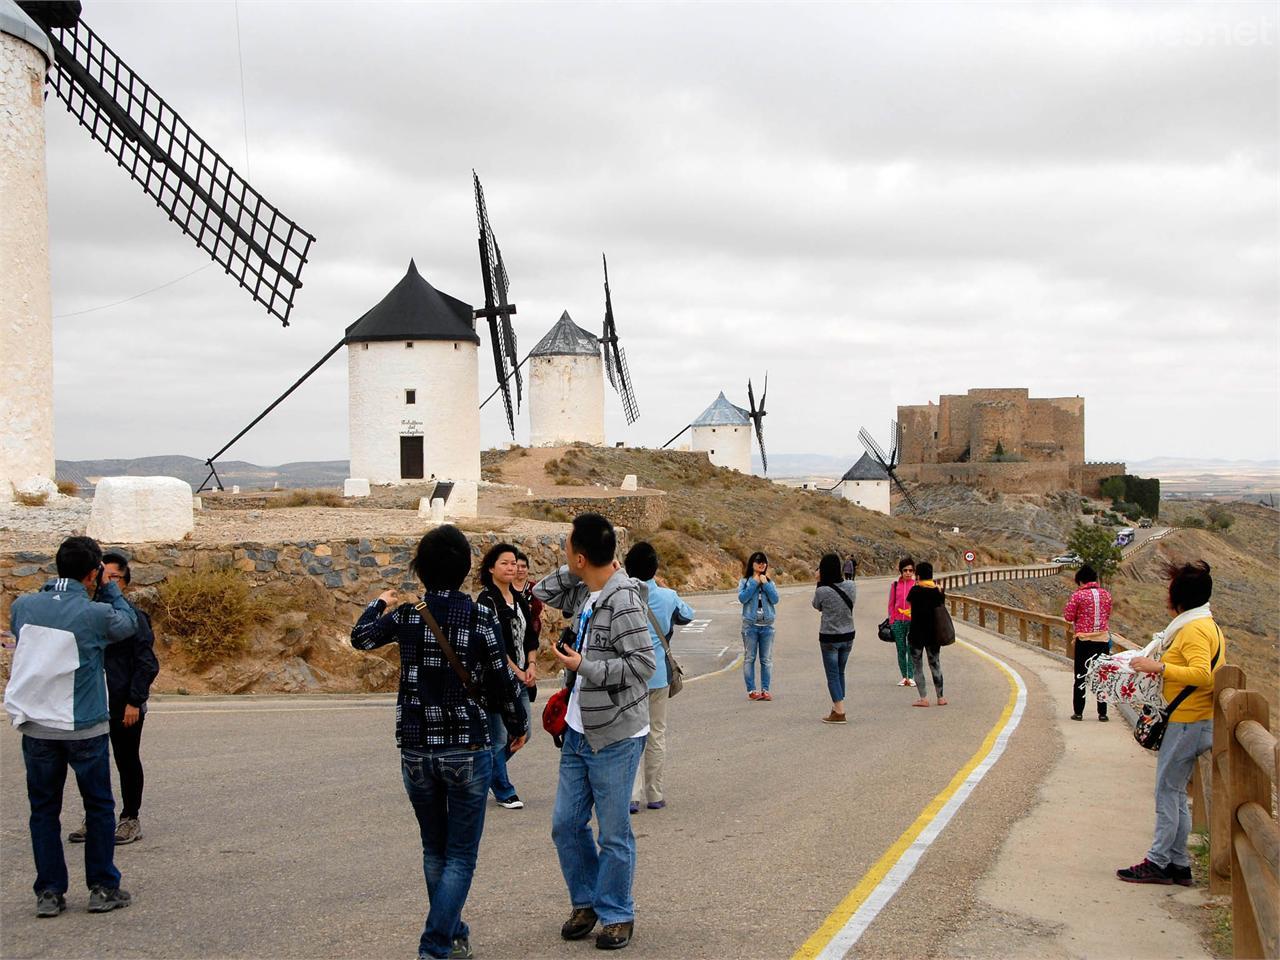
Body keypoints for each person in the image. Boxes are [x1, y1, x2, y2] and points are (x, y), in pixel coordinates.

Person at [351, 524, 529, 960]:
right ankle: (435, 945)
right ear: (468, 568)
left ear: (421, 569)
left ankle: (453, 932)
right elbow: (503, 682)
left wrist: (380, 601)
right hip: (467, 746)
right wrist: (518, 723)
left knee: (435, 849)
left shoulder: (409, 614)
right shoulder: (479, 615)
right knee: (461, 856)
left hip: (415, 747)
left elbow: (361, 637)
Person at [534, 513, 655, 951]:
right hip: (578, 728)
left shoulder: (623, 599)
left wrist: (583, 666)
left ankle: (617, 912)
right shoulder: (587, 587)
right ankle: (586, 901)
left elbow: (644, 665)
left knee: (614, 830)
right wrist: (579, 567)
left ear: (582, 555)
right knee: (566, 824)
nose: (565, 554)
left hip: (615, 733)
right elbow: (540, 591)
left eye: (569, 549)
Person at [4, 536, 137, 917]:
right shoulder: (94, 615)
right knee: (98, 807)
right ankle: (102, 886)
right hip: (84, 726)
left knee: (43, 809)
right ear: (94, 573)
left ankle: (48, 892)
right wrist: (111, 590)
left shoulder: (23, 606)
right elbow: (127, 625)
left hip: (38, 724)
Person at [1118, 561, 1225, 886]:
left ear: (1177, 598)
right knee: (1175, 792)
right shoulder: (1207, 625)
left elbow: (1202, 675)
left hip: (1187, 720)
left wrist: (1159, 668)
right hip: (1194, 719)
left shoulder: (1192, 630)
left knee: (1167, 791)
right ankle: (1178, 863)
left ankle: (1159, 861)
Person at [66, 552, 160, 847]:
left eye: (113, 577)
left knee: (126, 760)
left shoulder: (134, 618)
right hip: (92, 703)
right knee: (90, 763)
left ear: (125, 582)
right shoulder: (86, 615)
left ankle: (130, 818)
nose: (106, 582)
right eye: (102, 576)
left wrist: (134, 701)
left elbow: (146, 662)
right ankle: (94, 817)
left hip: (123, 704)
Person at [624, 541, 695, 814]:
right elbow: (687, 615)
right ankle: (654, 793)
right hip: (658, 677)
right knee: (656, 734)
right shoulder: (667, 596)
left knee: (631, 734)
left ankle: (630, 795)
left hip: (629, 676)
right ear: (654, 568)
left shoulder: (622, 596)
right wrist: (663, 587)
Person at [475, 542, 539, 810]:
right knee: (499, 737)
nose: (511, 567)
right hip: (497, 681)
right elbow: (491, 644)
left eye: (514, 563)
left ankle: (483, 775)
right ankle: (503, 790)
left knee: (524, 732)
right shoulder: (485, 601)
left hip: (523, 678)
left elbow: (530, 636)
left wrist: (532, 665)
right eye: (505, 563)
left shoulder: (520, 599)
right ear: (491, 567)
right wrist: (517, 670)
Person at [1062, 564, 1112, 723]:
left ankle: (1078, 712)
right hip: (1102, 640)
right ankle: (1102, 713)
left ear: (1080, 581)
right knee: (1101, 675)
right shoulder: (1106, 595)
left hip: (1084, 640)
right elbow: (1108, 614)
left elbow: (1068, 616)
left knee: (1080, 676)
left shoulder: (1078, 596)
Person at [811, 552, 857, 724]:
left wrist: (818, 582)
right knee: (840, 672)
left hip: (829, 637)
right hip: (848, 634)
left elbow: (816, 605)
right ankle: (837, 706)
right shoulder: (851, 586)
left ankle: (839, 711)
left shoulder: (822, 590)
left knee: (832, 675)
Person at [738, 551, 780, 701]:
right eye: (758, 562)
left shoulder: (769, 582)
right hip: (750, 626)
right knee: (749, 658)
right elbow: (742, 598)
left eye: (764, 562)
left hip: (767, 626)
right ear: (752, 564)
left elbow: (775, 599)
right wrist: (755, 583)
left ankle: (765, 690)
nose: (762, 564)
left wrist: (766, 584)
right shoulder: (745, 582)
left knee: (766, 660)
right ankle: (751, 690)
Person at [906, 561, 947, 707]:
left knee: (917, 666)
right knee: (935, 664)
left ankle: (923, 698)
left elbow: (909, 604)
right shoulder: (937, 591)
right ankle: (940, 697)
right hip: (933, 634)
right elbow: (941, 605)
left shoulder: (914, 591)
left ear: (918, 575)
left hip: (916, 633)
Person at [887, 557, 917, 688]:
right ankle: (904, 676)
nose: (908, 573)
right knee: (901, 649)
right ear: (901, 571)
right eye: (905, 570)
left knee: (911, 650)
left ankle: (911, 677)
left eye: (911, 570)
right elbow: (891, 604)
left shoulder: (916, 585)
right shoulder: (895, 585)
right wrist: (892, 621)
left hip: (913, 622)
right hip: (898, 622)